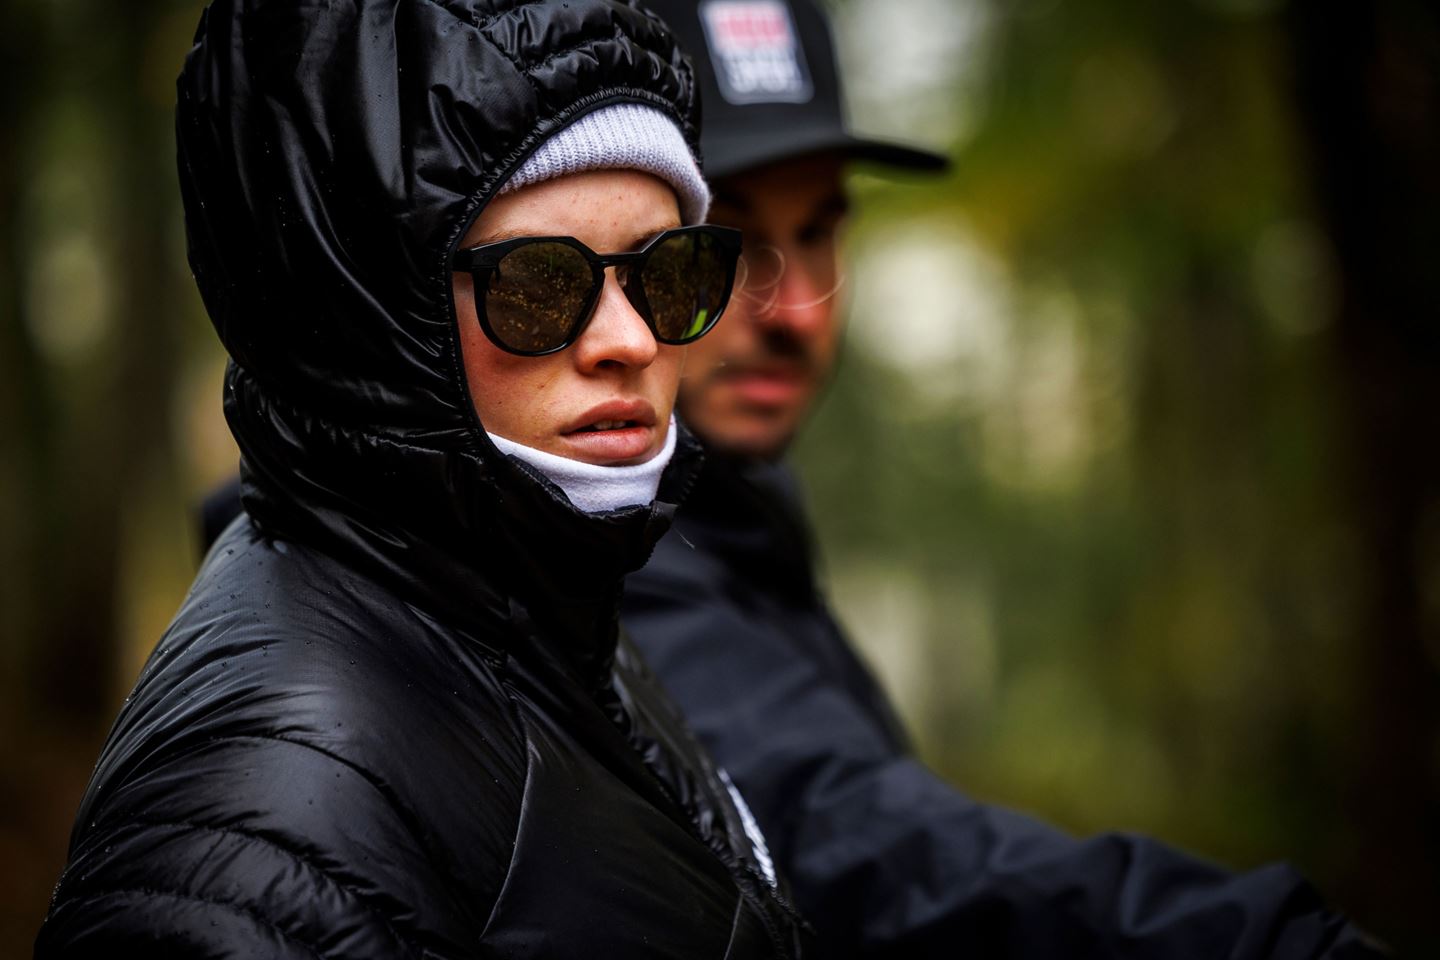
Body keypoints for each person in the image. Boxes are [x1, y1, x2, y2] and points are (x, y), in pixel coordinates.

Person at [36, 1, 809, 956]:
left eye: (671, 269)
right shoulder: (257, 818)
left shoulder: (542, 606)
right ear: (368, 313)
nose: (632, 339)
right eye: (539, 285)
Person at [620, 1, 1387, 957]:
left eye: (820, 232)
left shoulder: (737, 514)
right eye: (728, 240)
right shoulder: (606, 547)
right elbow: (851, 838)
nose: (799, 311)